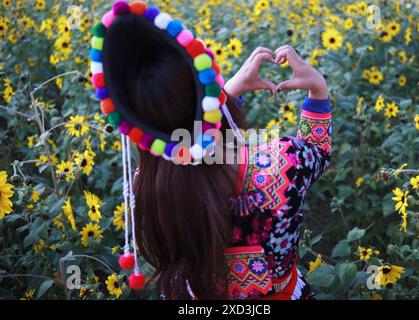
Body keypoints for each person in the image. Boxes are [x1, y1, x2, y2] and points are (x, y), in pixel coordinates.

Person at [96, 3, 331, 300]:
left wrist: (226, 95)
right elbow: (317, 151)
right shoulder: (284, 164)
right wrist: (318, 90)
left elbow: (191, 149)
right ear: (205, 88)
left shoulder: (148, 184)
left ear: (138, 124)